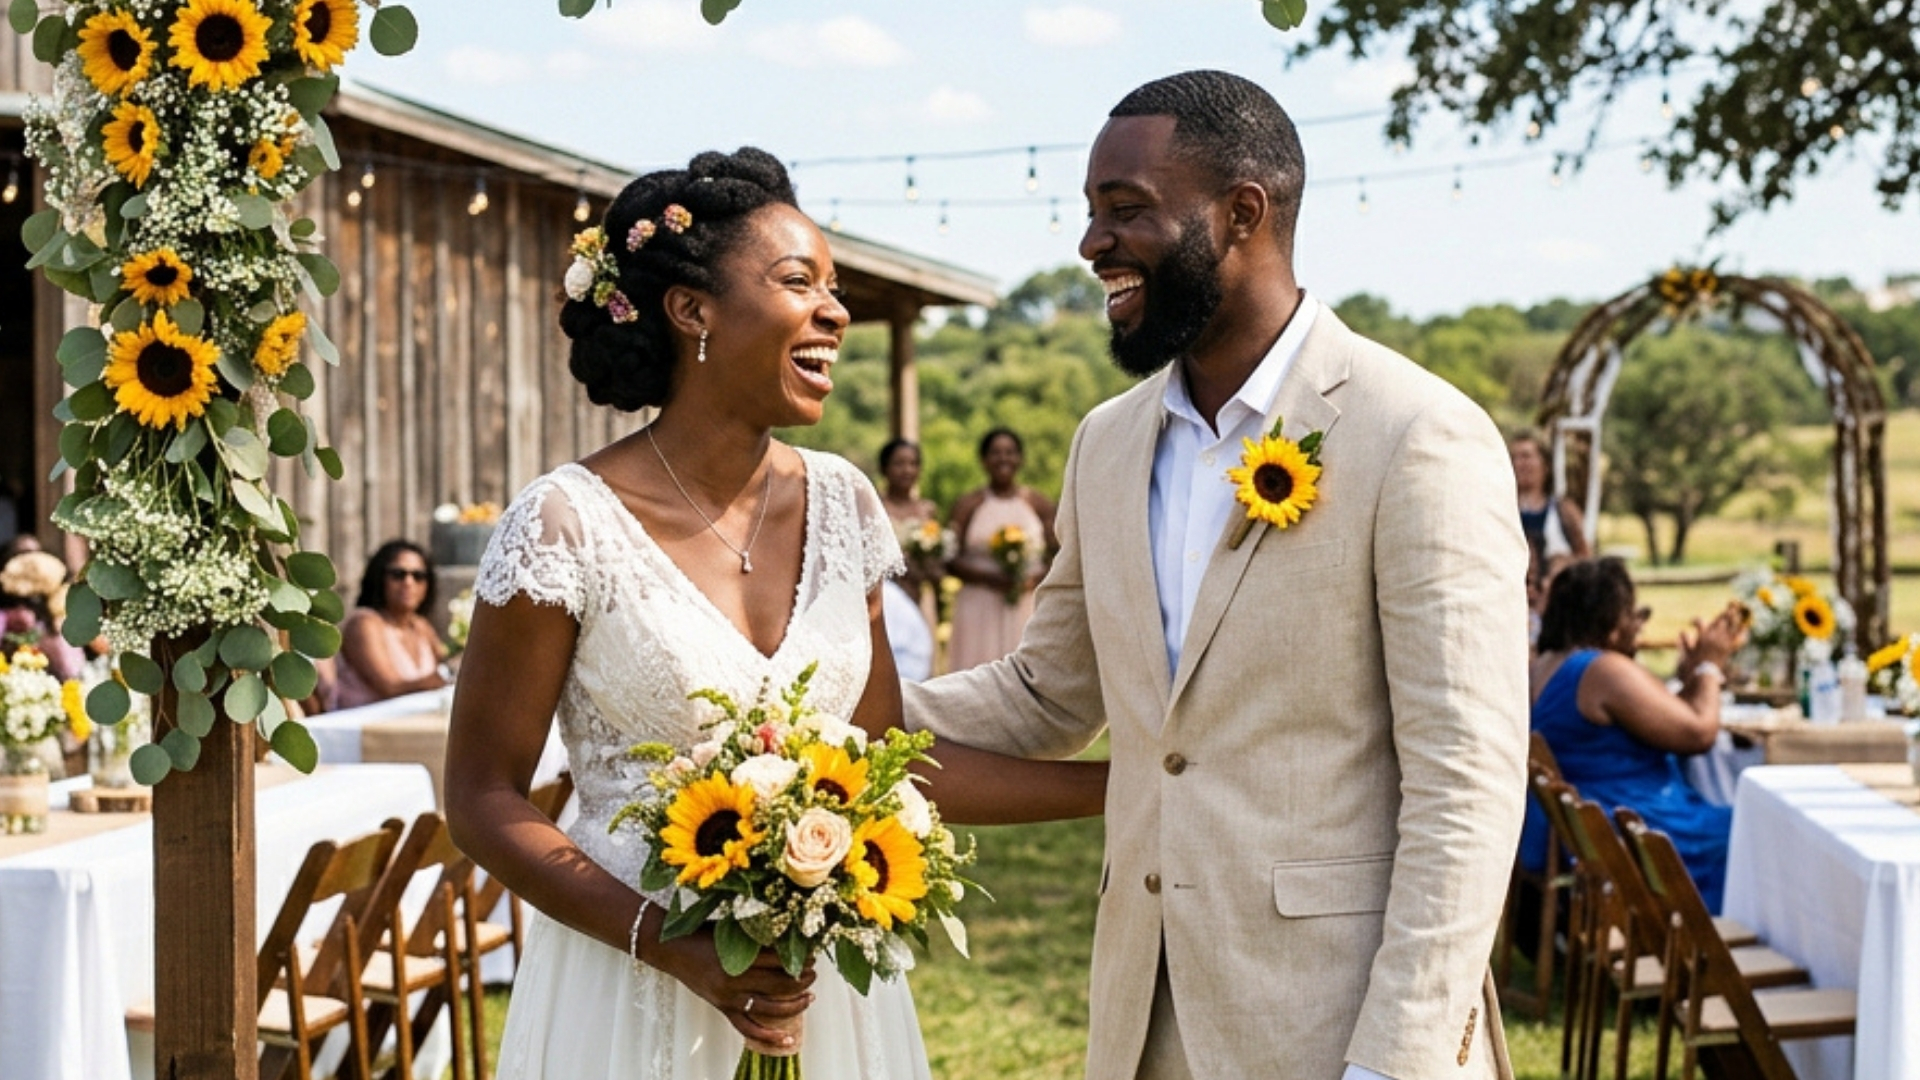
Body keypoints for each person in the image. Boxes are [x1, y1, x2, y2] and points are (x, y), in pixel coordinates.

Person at [902, 71, 1529, 1080]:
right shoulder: (1106, 444)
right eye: (1090, 213)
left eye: (1127, 211)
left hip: (1340, 1027)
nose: (1092, 244)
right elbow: (1045, 692)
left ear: (1245, 213)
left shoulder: (1416, 433)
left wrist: (1394, 1062)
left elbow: (1468, 784)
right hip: (1144, 1021)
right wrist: (826, 717)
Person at [441, 148, 1106, 1080]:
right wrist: (665, 942)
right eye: (801, 282)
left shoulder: (844, 503)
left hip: (819, 994)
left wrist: (1122, 790)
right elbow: (480, 796)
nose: (834, 311)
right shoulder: (564, 523)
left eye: (834, 288)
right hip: (630, 990)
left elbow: (883, 766)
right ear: (693, 311)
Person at [1521, 557, 1741, 912]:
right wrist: (1710, 665)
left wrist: (1690, 681)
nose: (1638, 624)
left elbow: (1660, 724)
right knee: (1753, 831)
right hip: (1643, 832)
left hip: (1598, 837)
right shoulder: (1601, 670)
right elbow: (1699, 733)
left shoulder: (1547, 665)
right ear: (1609, 623)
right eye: (1631, 613)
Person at [944, 428, 1057, 671]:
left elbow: (1058, 553)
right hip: (978, 604)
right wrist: (988, 578)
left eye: (1010, 452)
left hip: (1025, 601)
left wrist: (1032, 579)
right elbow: (949, 558)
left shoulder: (1038, 503)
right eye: (995, 453)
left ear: (1020, 458)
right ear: (984, 460)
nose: (1003, 459)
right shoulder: (969, 504)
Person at [331, 540, 449, 710]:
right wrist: (435, 682)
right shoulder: (364, 623)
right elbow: (389, 687)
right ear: (380, 578)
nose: (408, 582)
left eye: (419, 576)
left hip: (416, 726)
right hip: (363, 730)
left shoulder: (421, 626)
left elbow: (445, 669)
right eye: (398, 574)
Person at [877, 437, 942, 628]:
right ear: (884, 468)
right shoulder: (875, 505)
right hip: (883, 595)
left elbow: (937, 561)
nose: (907, 470)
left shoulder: (927, 510)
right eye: (899, 464)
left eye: (913, 464)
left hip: (918, 594)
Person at [1510, 430, 1589, 578]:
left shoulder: (1565, 511)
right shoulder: (1502, 511)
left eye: (1526, 456)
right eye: (1515, 458)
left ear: (1545, 464)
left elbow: (1585, 559)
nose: (1520, 463)